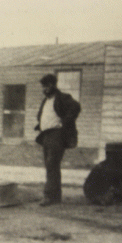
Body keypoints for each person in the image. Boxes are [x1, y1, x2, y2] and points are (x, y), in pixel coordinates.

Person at [34, 74, 81, 206]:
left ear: (54, 85)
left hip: (57, 134)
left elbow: (76, 107)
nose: (45, 89)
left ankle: (49, 196)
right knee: (51, 165)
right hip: (46, 135)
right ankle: (55, 197)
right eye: (43, 86)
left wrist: (64, 122)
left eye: (48, 86)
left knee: (51, 164)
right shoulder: (46, 100)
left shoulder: (62, 98)